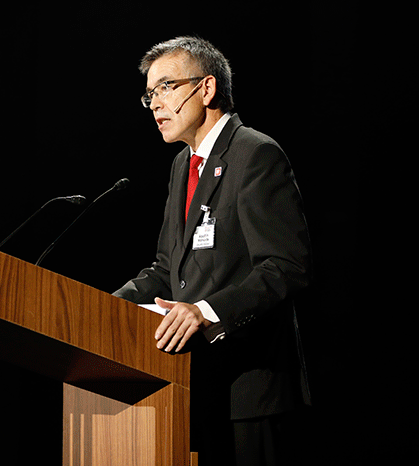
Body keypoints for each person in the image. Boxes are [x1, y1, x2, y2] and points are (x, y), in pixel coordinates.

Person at [113, 36, 313, 466]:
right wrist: (102, 308)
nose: (155, 104)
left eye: (166, 87)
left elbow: (285, 267)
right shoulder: (183, 164)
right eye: (149, 94)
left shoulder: (255, 154)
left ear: (206, 89)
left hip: (251, 394)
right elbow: (168, 268)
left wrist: (206, 310)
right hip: (194, 385)